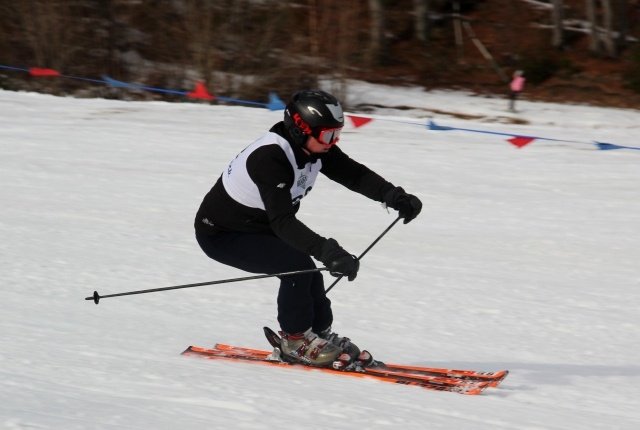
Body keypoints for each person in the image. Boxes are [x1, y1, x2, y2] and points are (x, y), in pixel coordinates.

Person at [194, 90, 422, 367]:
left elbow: (355, 175)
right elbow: (283, 221)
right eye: (328, 135)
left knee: (307, 271)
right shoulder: (270, 159)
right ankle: (296, 340)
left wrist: (394, 196)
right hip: (223, 234)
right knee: (296, 266)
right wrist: (329, 251)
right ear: (301, 130)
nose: (333, 142)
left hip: (258, 226)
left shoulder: (313, 147)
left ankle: (317, 333)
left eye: (337, 134)